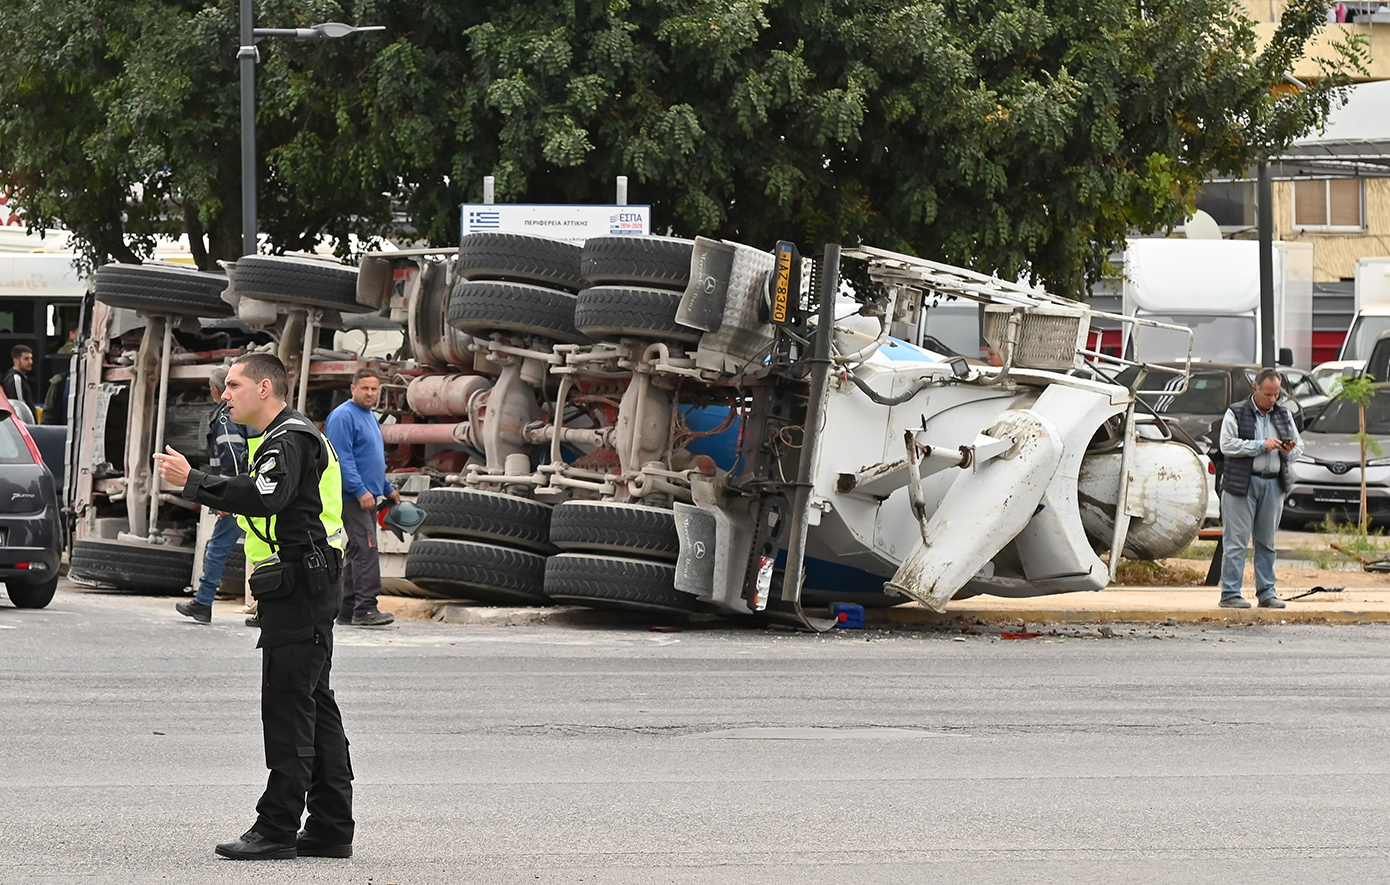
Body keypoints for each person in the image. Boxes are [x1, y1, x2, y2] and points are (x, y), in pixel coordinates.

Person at [154, 353, 354, 860]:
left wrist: (193, 480)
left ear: (265, 388)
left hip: (300, 589)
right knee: (314, 704)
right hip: (303, 584)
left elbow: (266, 495)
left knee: (289, 706)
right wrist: (230, 496)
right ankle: (331, 826)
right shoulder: (285, 437)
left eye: (234, 385)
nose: (225, 394)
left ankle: (276, 827)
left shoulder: (288, 438)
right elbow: (278, 500)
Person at [1217, 368, 1303, 610]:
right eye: (1268, 394)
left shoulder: (1284, 415)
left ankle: (1267, 592)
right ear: (1255, 389)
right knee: (1236, 541)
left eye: (1276, 395)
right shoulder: (1236, 412)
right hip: (1241, 484)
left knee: (1267, 542)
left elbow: (1299, 449)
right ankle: (1230, 593)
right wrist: (1260, 446)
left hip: (1274, 483)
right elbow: (1227, 445)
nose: (1272, 400)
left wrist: (1289, 449)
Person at [176, 367, 252, 624]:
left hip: (236, 492)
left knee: (218, 547)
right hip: (248, 489)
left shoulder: (225, 417)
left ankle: (203, 602)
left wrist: (224, 494)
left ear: (216, 390)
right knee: (264, 550)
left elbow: (230, 456)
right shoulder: (242, 415)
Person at [324, 368, 399, 627]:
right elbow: (341, 458)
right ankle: (366, 609)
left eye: (374, 389)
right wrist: (359, 490)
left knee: (358, 550)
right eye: (365, 388)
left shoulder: (369, 416)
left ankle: (346, 608)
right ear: (353, 388)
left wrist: (387, 488)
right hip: (352, 498)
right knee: (367, 550)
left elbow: (371, 458)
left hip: (368, 495)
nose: (370, 393)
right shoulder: (343, 417)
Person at [2, 344, 36, 412]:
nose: (30, 362)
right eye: (26, 359)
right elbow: (20, 406)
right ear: (16, 361)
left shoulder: (18, 377)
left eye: (31, 358)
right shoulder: (16, 378)